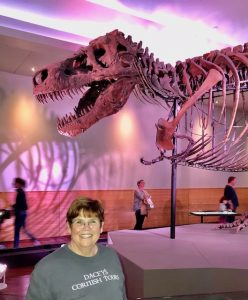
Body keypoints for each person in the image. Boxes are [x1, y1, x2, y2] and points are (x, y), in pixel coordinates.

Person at [25, 197, 127, 300]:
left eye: (92, 221)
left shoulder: (111, 256)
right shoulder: (46, 269)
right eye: (79, 222)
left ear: (101, 227)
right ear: (69, 227)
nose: (86, 228)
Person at [12, 177, 39, 248]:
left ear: (19, 184)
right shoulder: (21, 192)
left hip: (20, 213)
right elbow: (22, 204)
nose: (14, 184)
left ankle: (16, 247)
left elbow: (21, 204)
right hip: (22, 213)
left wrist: (13, 207)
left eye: (15, 183)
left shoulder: (20, 193)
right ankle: (34, 240)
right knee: (24, 230)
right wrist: (14, 206)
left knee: (17, 230)